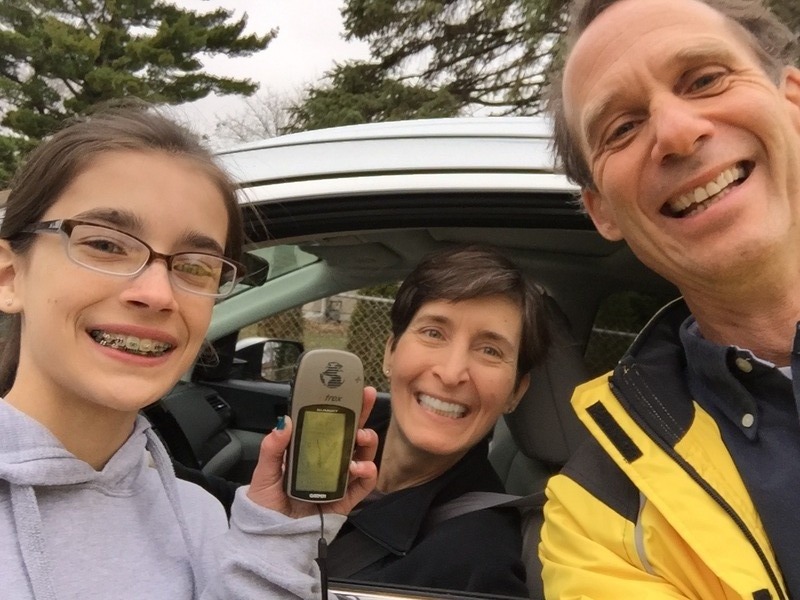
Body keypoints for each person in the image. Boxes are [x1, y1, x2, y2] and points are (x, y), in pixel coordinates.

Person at [0, 104, 378, 599]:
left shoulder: (202, 518)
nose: (158, 293)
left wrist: (277, 540)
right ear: (10, 276)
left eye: (197, 266)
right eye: (108, 245)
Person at [537, 0, 800, 598]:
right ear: (601, 210)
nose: (679, 134)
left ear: (793, 100)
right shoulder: (597, 515)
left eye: (705, 80)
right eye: (622, 128)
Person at [327, 245, 550, 597]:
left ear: (515, 393)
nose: (451, 373)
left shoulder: (476, 563)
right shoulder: (333, 443)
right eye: (433, 333)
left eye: (490, 350)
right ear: (391, 350)